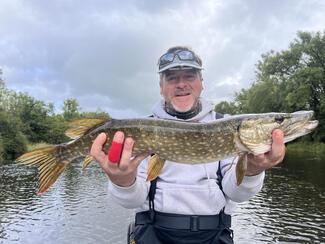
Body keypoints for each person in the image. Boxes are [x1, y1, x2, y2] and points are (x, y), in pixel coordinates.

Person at [90, 46, 285, 243]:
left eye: (190, 76)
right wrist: (122, 181)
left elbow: (237, 194)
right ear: (161, 86)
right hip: (153, 233)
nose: (181, 84)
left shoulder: (227, 126)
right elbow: (133, 200)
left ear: (201, 83)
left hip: (214, 235)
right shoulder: (142, 129)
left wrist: (252, 170)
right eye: (172, 78)